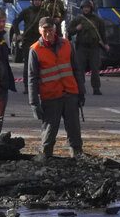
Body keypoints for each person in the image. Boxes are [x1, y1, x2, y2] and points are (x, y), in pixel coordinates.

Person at [28, 17, 85, 159]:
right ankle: (45, 159)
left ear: (55, 30)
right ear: (40, 30)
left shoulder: (67, 44)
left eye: (51, 30)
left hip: (70, 94)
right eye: (45, 30)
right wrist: (34, 103)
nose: (48, 33)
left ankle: (77, 158)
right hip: (51, 97)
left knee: (74, 132)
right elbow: (32, 79)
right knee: (49, 133)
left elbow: (77, 70)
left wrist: (81, 92)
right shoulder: (35, 50)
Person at [68, 0, 109, 95]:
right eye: (84, 7)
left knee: (95, 69)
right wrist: (76, 29)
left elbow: (102, 34)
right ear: (82, 8)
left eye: (88, 7)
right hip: (81, 47)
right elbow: (69, 30)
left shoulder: (98, 20)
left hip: (94, 47)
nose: (86, 9)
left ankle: (96, 88)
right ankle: (80, 88)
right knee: (80, 69)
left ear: (91, 8)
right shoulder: (78, 19)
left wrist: (106, 44)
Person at [17, 0, 45, 93]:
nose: (37, 2)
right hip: (28, 40)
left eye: (39, 0)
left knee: (40, 64)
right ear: (32, 1)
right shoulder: (26, 11)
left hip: (40, 41)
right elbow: (16, 22)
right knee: (28, 64)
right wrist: (17, 34)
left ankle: (38, 86)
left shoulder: (44, 12)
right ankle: (26, 86)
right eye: (35, 0)